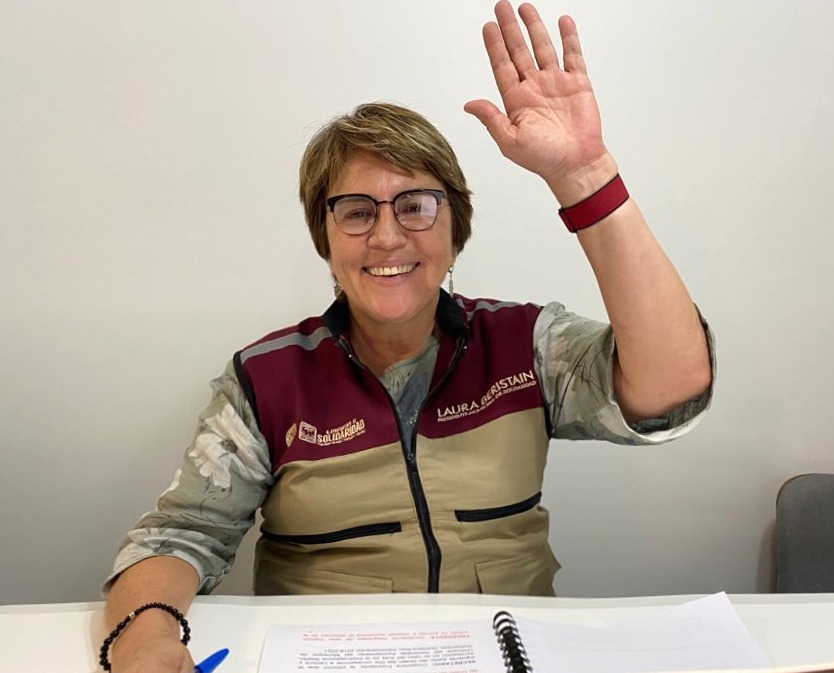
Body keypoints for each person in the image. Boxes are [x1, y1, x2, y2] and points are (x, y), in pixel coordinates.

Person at [101, 2, 714, 671]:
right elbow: (180, 535)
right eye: (356, 211)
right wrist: (146, 641)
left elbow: (672, 384)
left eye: (416, 206)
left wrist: (585, 176)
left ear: (456, 230)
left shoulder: (525, 345)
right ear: (325, 237)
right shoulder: (266, 381)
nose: (388, 236)